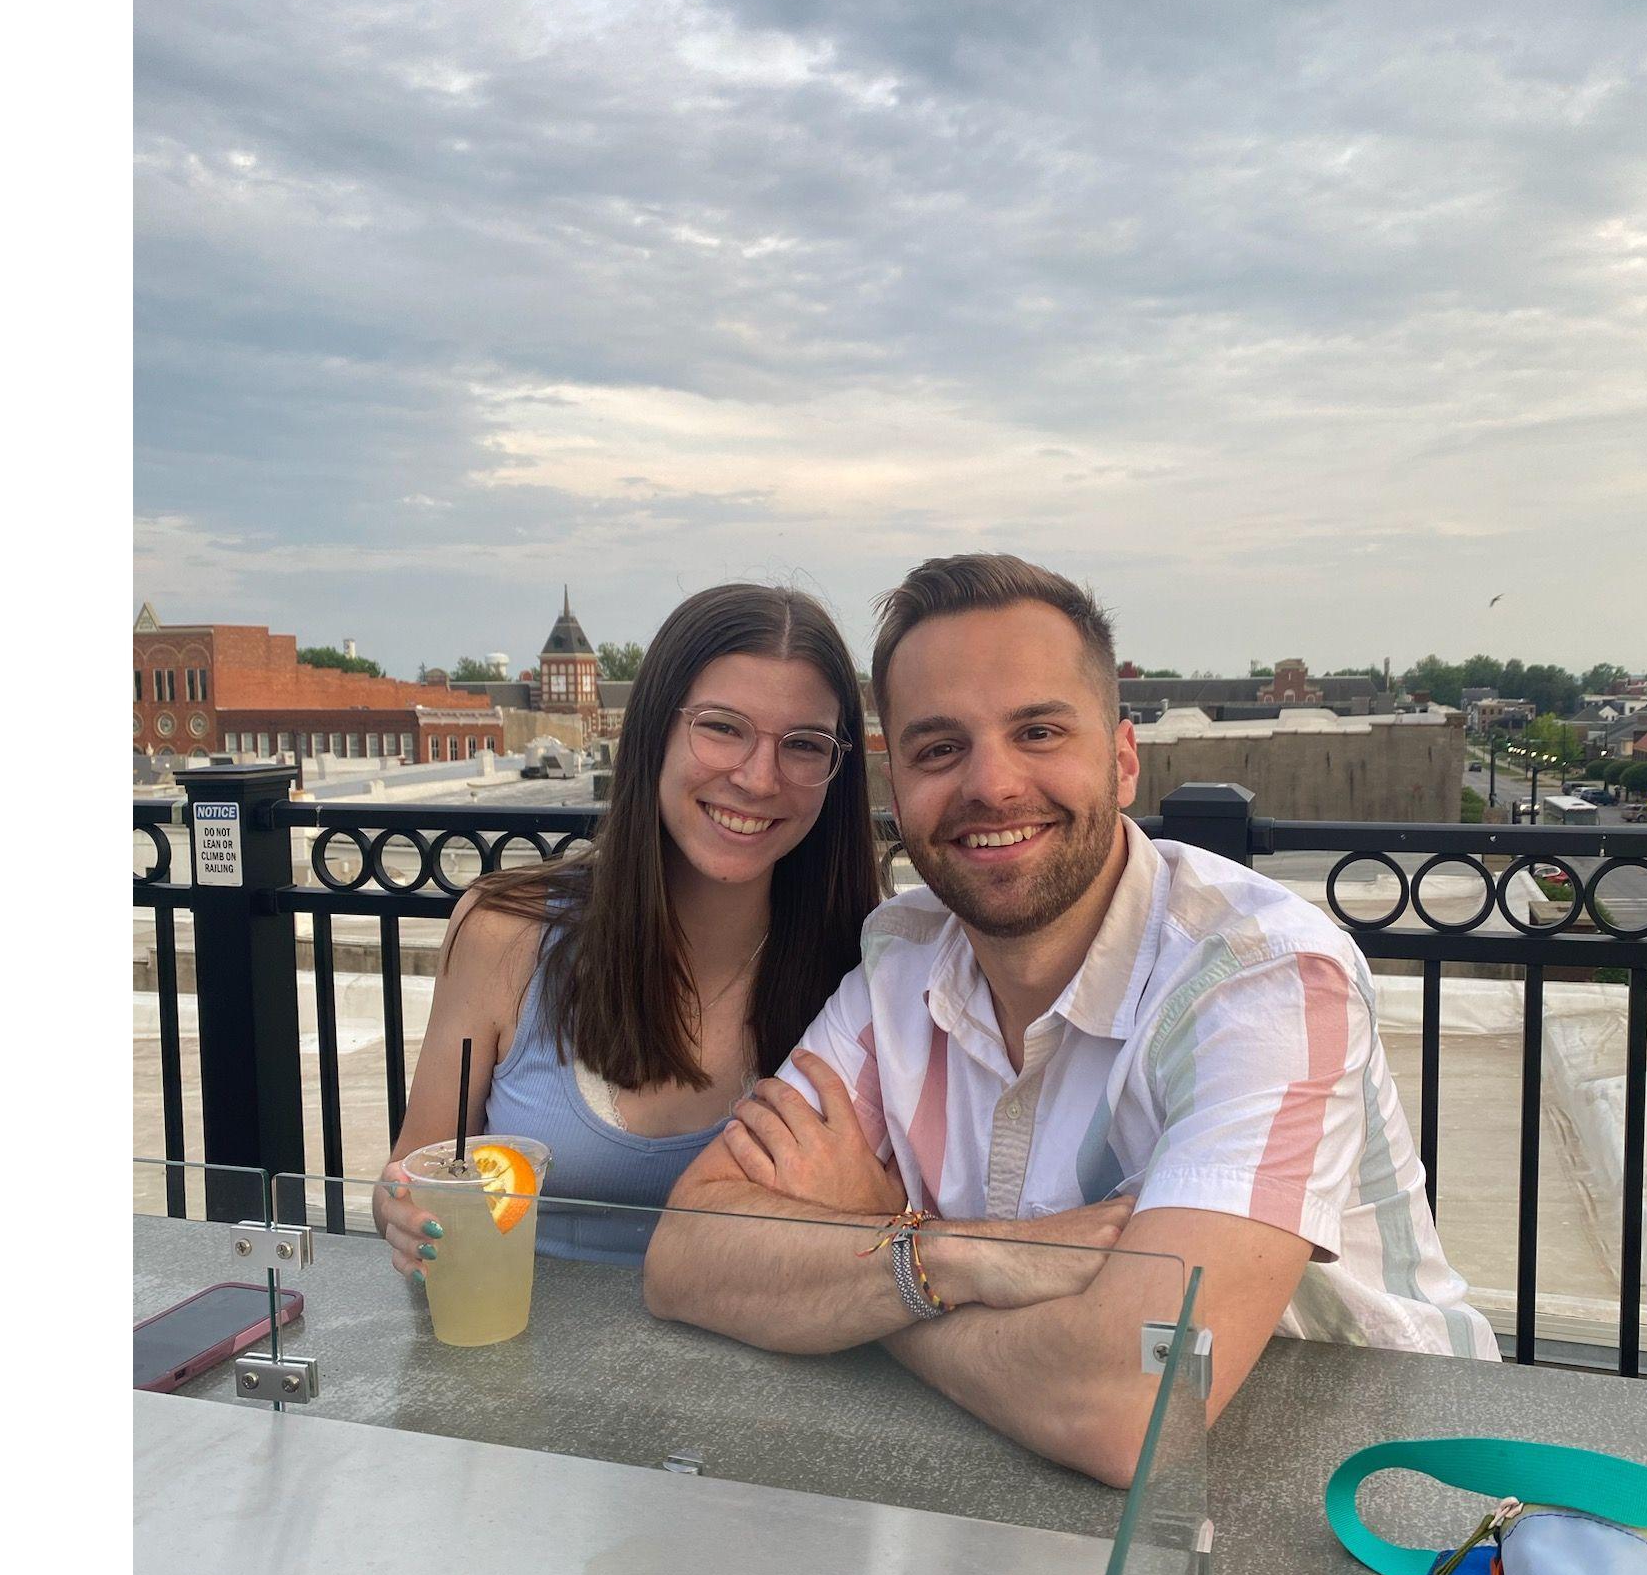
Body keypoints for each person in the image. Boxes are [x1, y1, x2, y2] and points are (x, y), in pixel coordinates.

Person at [644, 553, 1496, 1486]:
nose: (994, 785)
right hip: (1026, 1490)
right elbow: (687, 1251)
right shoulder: (902, 959)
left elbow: (1129, 1405)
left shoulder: (1261, 979)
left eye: (1039, 731)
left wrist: (879, 1240)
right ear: (898, 790)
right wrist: (955, 1256)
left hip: (1386, 1492)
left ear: (1123, 759)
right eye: (938, 748)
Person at [373, 583, 882, 1276]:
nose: (760, 778)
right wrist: (402, 1214)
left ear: (837, 769)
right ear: (653, 733)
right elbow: (412, 1172)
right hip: (511, 1353)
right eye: (723, 727)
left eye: (803, 744)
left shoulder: (867, 969)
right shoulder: (506, 937)